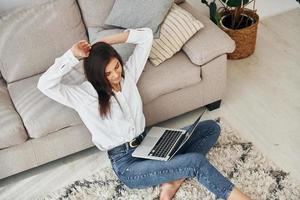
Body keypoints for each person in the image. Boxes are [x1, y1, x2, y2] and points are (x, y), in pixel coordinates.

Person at [37, 27, 251, 200]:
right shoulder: (84, 96)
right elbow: (45, 85)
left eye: (116, 67)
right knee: (195, 162)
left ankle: (173, 180)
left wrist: (106, 42)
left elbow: (146, 36)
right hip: (127, 164)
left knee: (210, 128)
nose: (115, 76)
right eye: (107, 73)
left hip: (149, 144)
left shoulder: (127, 76)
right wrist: (72, 56)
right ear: (95, 74)